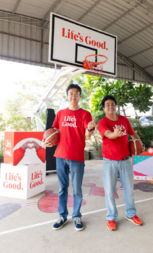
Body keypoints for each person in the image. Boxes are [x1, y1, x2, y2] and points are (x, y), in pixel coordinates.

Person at [42, 84, 95, 231]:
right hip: (60, 156)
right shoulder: (60, 113)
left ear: (79, 96)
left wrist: (90, 129)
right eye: (71, 93)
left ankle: (77, 216)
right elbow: (54, 132)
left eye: (77, 93)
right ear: (67, 95)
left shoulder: (85, 114)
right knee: (62, 189)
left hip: (77, 156)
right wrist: (46, 140)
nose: (74, 96)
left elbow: (88, 134)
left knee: (77, 189)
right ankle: (62, 216)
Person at [97, 95, 144, 231]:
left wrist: (140, 143)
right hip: (109, 163)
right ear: (104, 108)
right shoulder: (102, 122)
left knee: (129, 190)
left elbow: (133, 134)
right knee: (109, 192)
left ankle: (131, 214)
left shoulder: (124, 120)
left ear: (115, 106)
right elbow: (108, 134)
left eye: (112, 104)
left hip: (125, 161)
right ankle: (111, 218)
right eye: (107, 105)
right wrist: (115, 133)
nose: (110, 106)